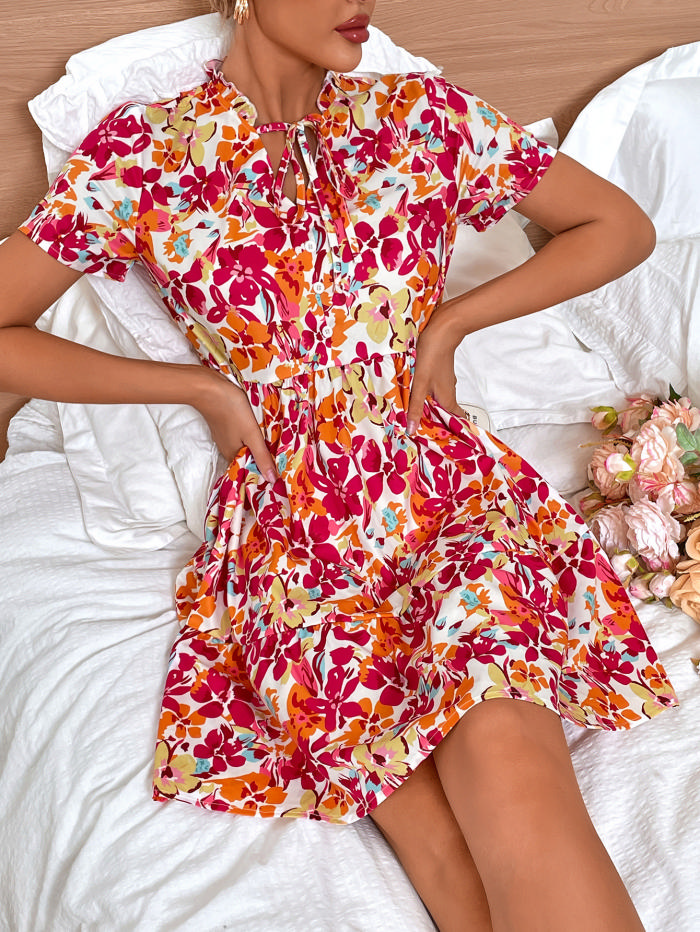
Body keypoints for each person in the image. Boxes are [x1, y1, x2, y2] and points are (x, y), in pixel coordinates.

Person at [0, 1, 679, 929]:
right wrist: (195, 388)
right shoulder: (145, 153)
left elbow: (619, 226)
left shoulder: (423, 116)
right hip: (295, 538)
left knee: (506, 747)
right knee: (436, 844)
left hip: (448, 500)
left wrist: (454, 320)